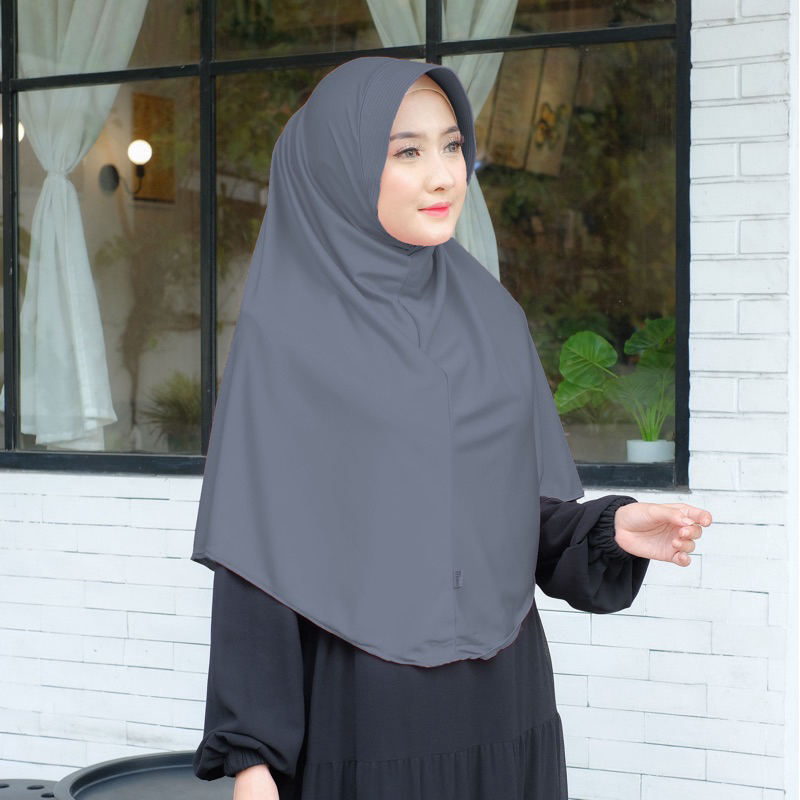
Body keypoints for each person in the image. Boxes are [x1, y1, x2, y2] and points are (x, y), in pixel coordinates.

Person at [191, 56, 711, 800]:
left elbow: (514, 515)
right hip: (370, 719)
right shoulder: (288, 338)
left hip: (508, 703)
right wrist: (253, 761)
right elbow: (259, 556)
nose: (444, 176)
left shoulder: (492, 317)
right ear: (339, 166)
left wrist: (610, 528)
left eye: (453, 145)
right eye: (406, 151)